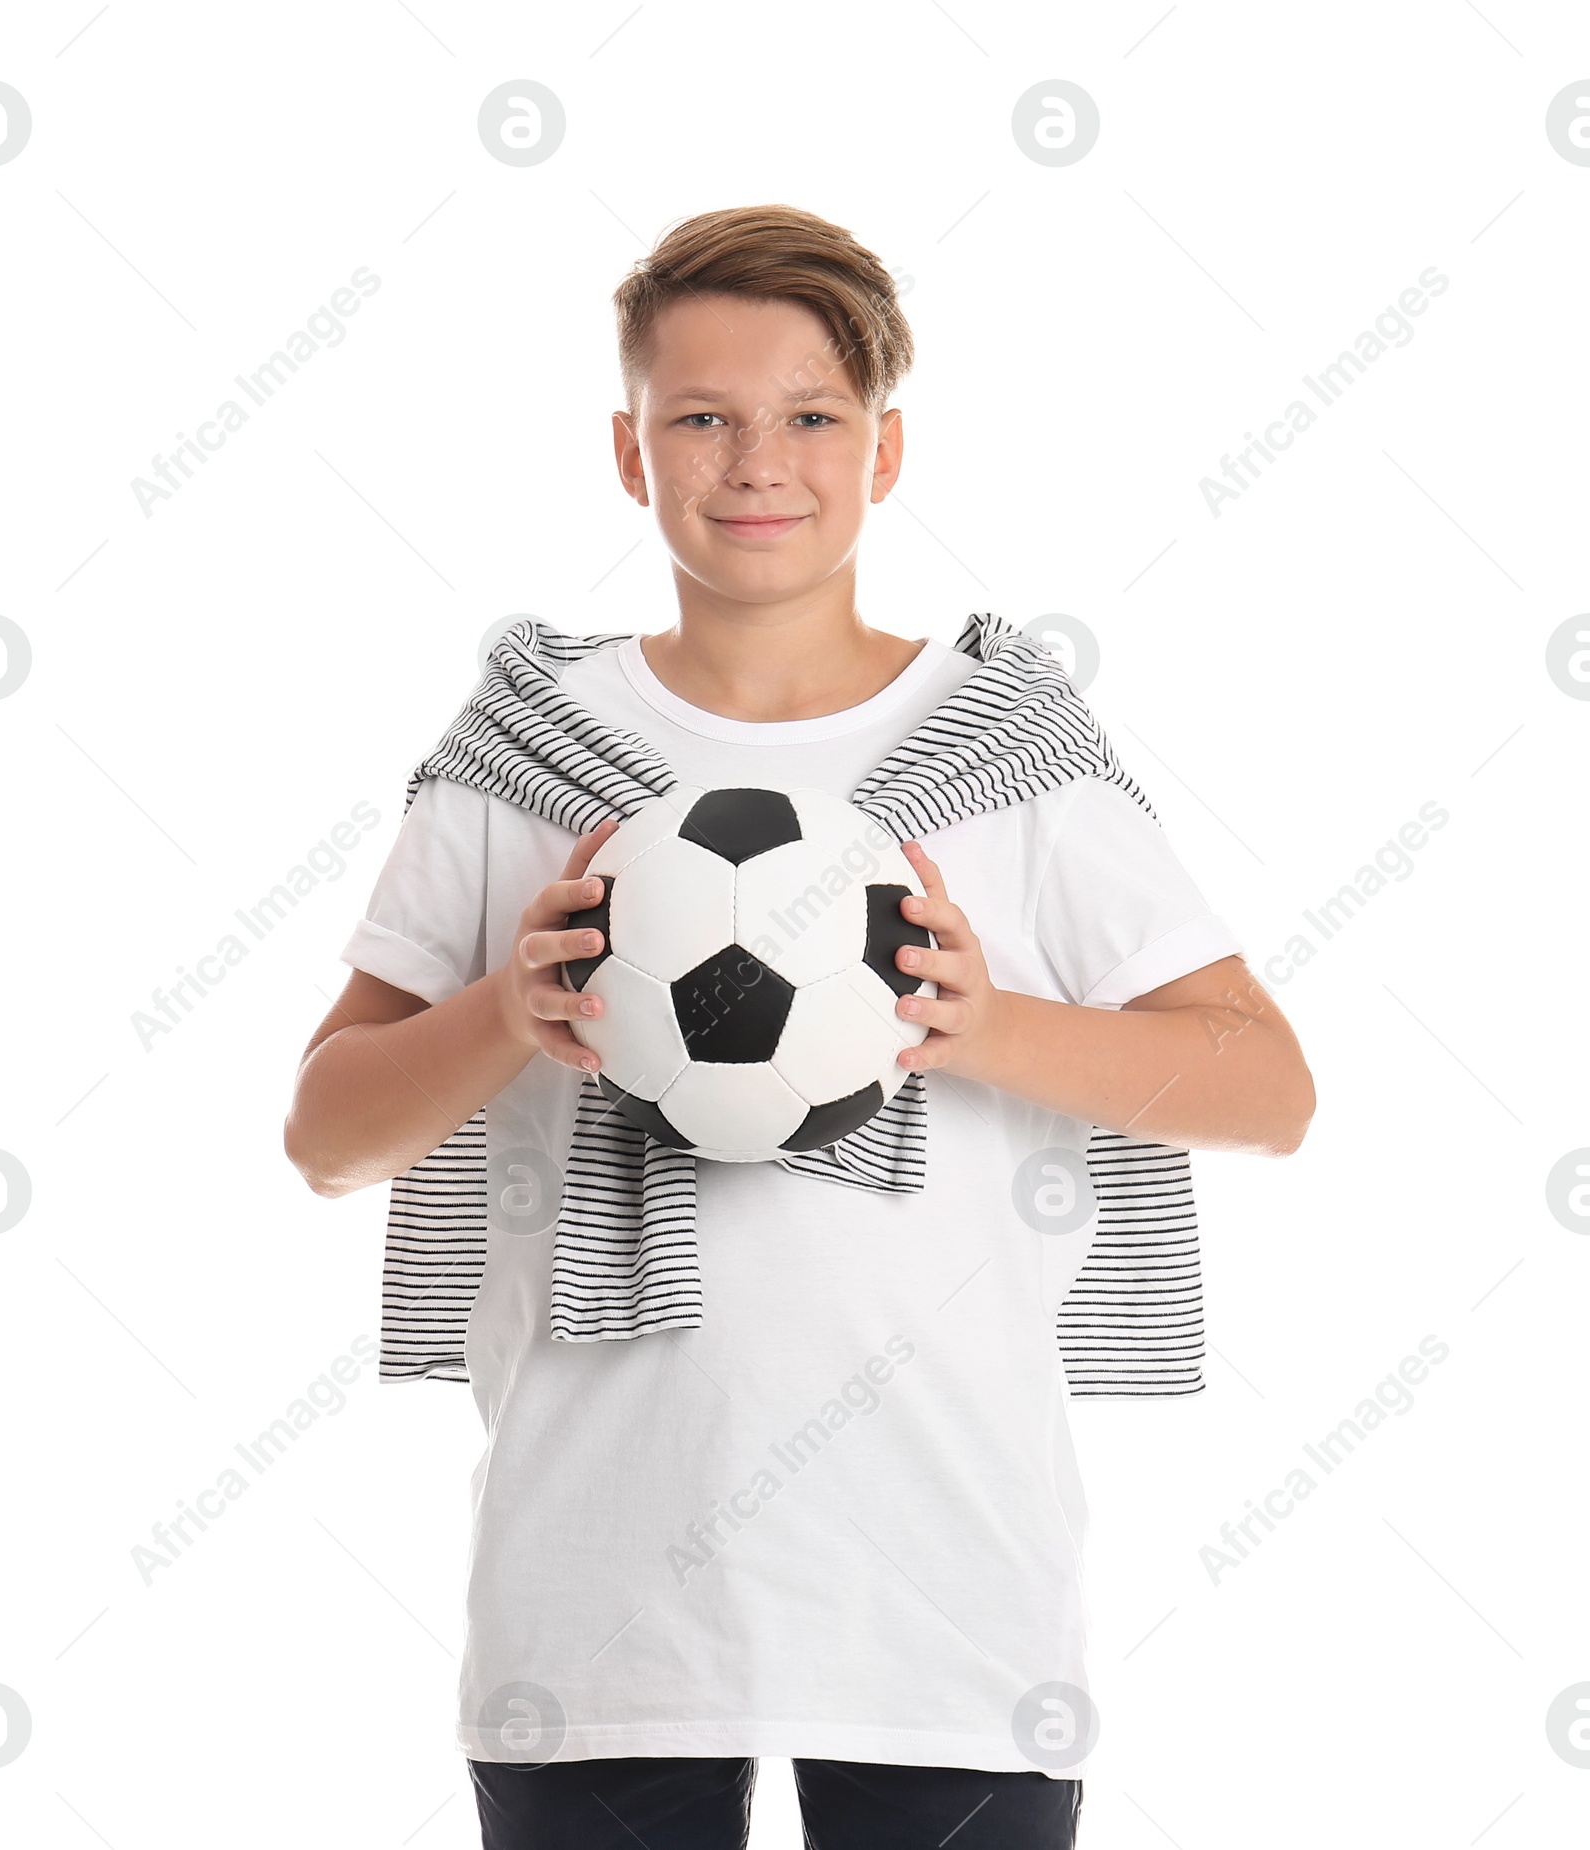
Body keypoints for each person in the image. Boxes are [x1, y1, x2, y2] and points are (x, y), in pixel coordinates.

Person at [284, 204, 1315, 1849]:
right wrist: (508, 1007)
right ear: (630, 453)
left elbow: (1268, 1089)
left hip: (945, 1594)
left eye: (811, 416)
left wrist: (985, 1024)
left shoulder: (1008, 748)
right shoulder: (525, 750)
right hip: (596, 1601)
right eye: (700, 415)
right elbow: (328, 1131)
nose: (757, 459)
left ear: (885, 450)